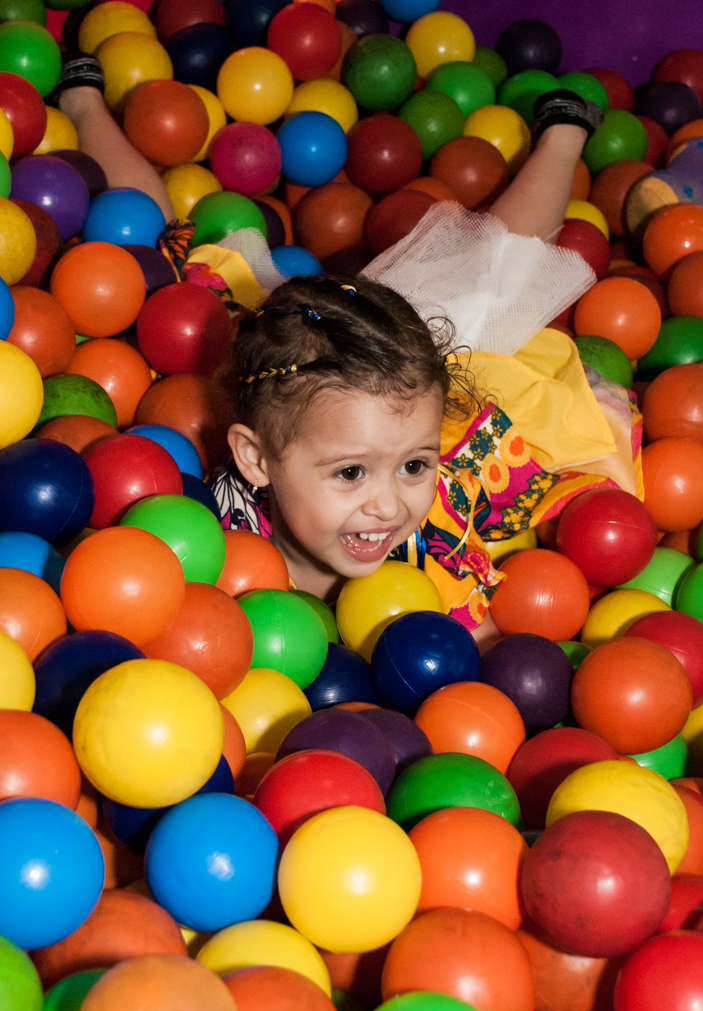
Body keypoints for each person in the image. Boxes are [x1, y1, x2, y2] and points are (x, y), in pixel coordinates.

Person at [56, 62, 641, 646]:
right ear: (256, 461)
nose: (388, 505)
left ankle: (564, 132)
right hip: (308, 382)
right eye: (351, 473)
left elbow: (480, 651)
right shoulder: (213, 533)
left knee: (491, 279)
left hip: (401, 396)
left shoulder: (431, 547)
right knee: (156, 248)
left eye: (415, 466)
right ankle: (83, 101)